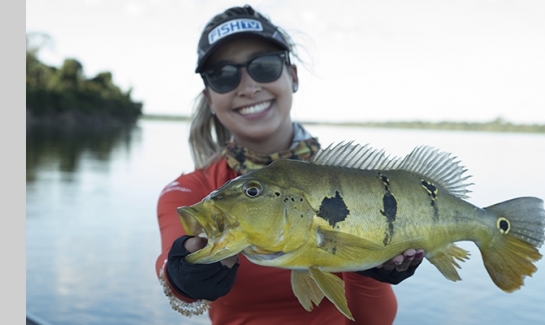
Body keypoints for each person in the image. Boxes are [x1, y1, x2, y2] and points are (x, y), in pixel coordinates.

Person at [155, 5, 424, 324]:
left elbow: (376, 321)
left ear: (292, 76)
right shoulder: (193, 192)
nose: (248, 86)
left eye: (264, 67)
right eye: (223, 75)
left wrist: (367, 268)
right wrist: (182, 273)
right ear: (210, 98)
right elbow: (171, 272)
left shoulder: (353, 182)